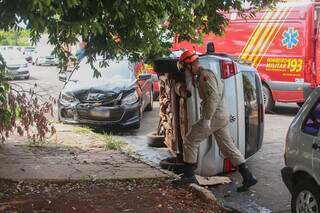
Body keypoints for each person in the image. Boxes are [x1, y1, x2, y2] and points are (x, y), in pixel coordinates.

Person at [173, 50, 257, 192]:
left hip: (214, 117)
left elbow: (212, 98)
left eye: (186, 68)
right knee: (227, 147)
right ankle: (248, 176)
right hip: (218, 116)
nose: (186, 72)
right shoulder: (201, 76)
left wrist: (206, 119)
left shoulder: (205, 75)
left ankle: (189, 175)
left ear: (190, 65)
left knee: (190, 140)